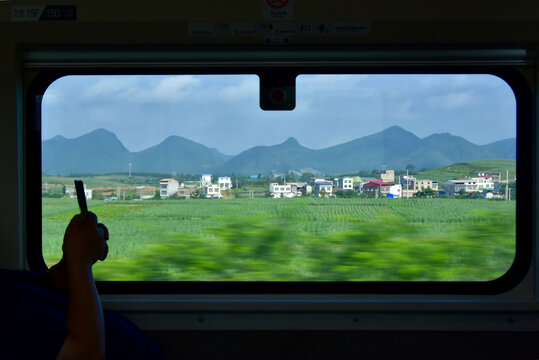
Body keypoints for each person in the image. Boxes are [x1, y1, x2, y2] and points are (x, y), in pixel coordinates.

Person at [0, 212, 162, 359]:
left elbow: (52, 284)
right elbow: (87, 355)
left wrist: (75, 250)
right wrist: (80, 261)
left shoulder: (7, 281)